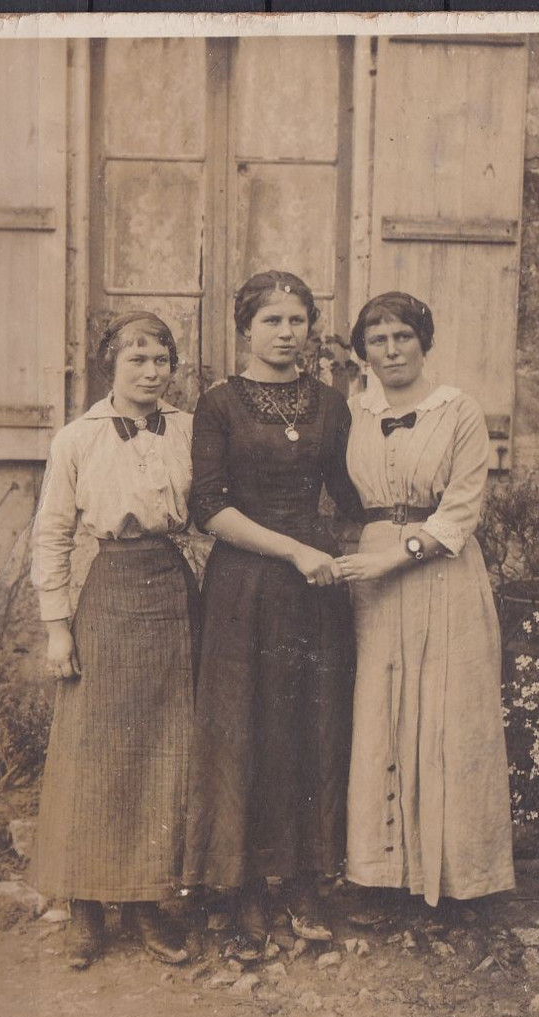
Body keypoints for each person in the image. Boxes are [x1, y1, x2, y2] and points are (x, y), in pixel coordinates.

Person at [181, 270, 363, 961]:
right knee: (245, 727)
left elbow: (349, 495)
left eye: (297, 320)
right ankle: (245, 885)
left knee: (310, 726)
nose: (286, 333)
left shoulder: (330, 403)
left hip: (315, 590)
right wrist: (292, 550)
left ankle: (304, 880)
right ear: (245, 329)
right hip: (246, 583)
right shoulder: (219, 404)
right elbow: (208, 506)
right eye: (272, 321)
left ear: (311, 327)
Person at [336, 291, 515, 914]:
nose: (391, 349)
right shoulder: (354, 413)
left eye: (403, 336)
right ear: (363, 352)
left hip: (442, 571)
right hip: (374, 580)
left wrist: (397, 552)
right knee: (381, 711)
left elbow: (463, 506)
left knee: (447, 714)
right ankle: (381, 878)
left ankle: (461, 880)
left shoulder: (458, 410)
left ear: (424, 342)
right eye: (378, 339)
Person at [31, 312, 199, 968]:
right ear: (111, 365)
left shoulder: (186, 430)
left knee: (163, 751)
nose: (152, 372)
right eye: (138, 360)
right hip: (108, 590)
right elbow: (51, 532)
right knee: (94, 748)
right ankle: (84, 908)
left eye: (162, 360)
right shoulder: (77, 439)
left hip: (172, 588)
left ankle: (147, 903)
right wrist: (56, 627)